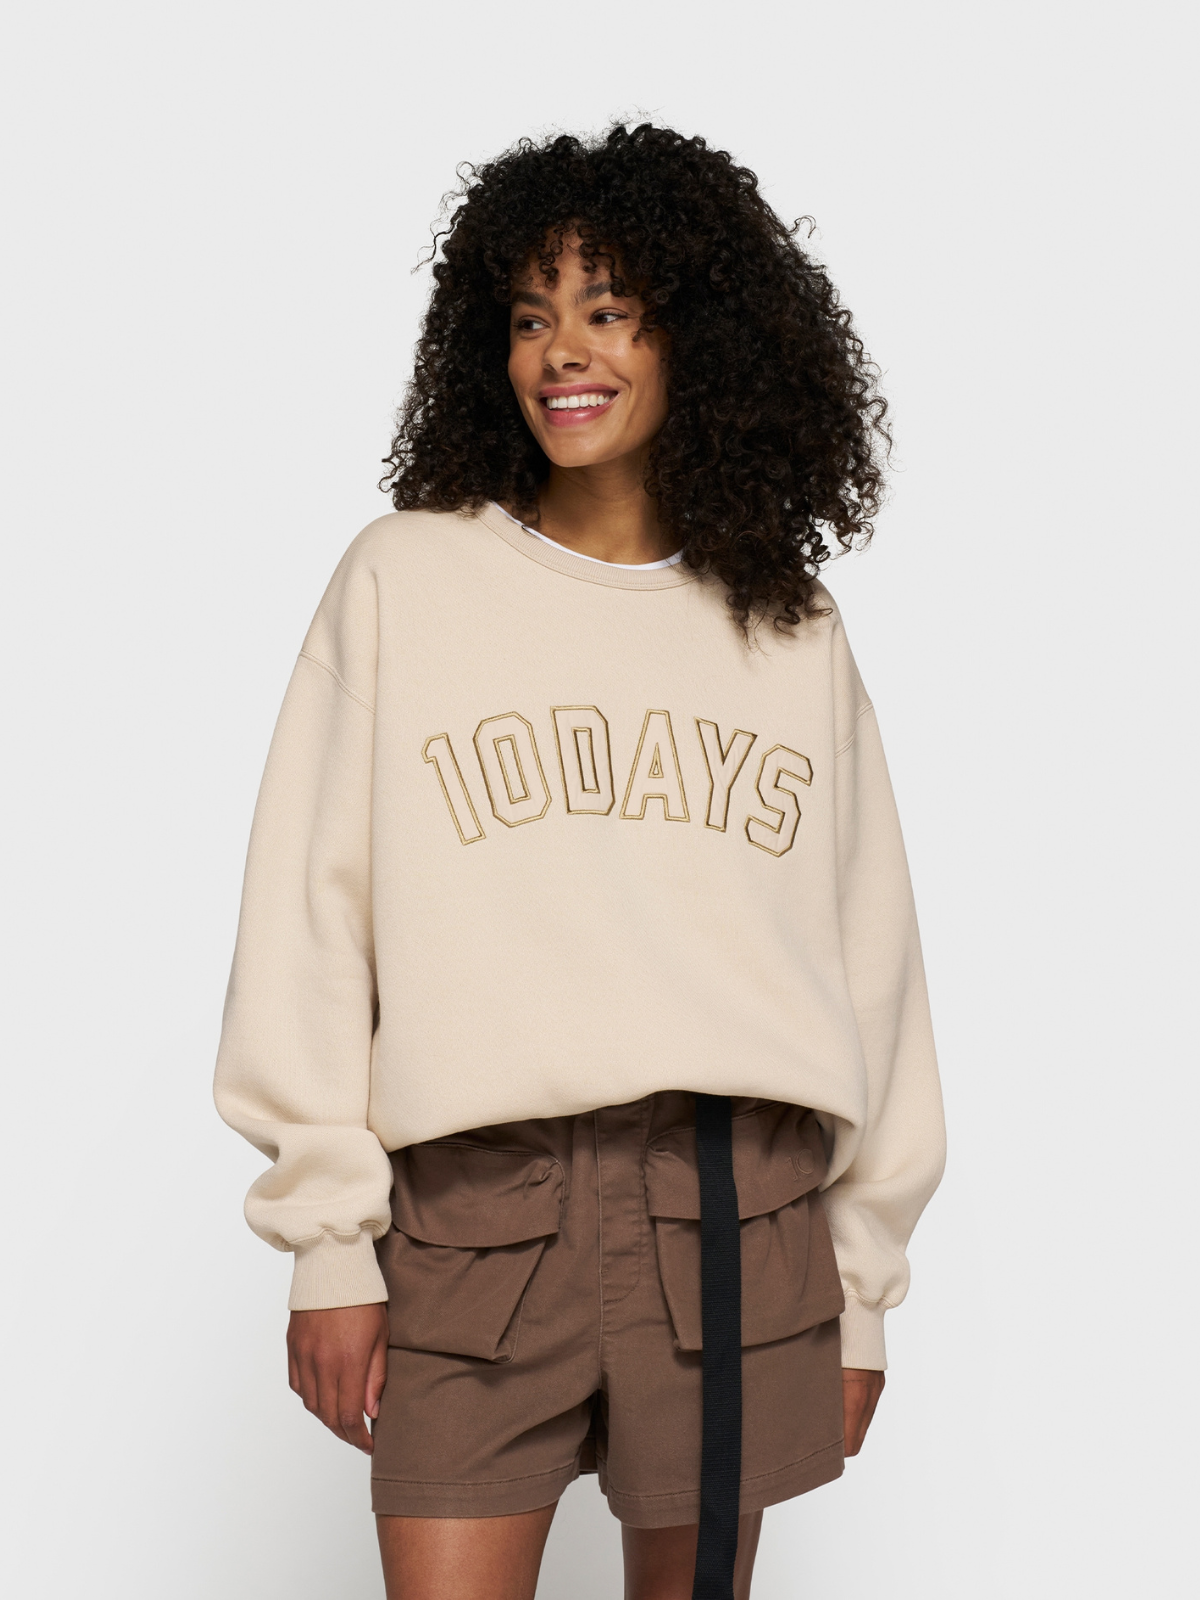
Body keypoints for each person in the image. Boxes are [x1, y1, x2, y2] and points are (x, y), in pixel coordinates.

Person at [215, 122, 945, 1600]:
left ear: (700, 341)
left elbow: (872, 971)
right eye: (530, 314)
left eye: (610, 310)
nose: (564, 352)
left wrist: (863, 1287)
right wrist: (327, 1245)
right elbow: (311, 923)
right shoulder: (406, 580)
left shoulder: (790, 629)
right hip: (479, 1221)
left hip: (732, 1219)